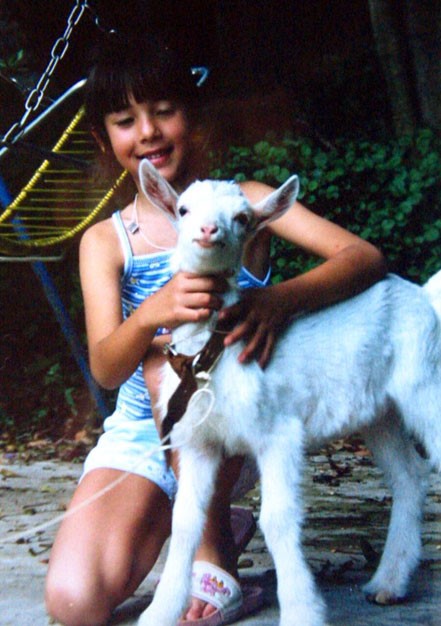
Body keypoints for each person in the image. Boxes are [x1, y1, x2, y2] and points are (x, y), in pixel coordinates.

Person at [44, 36, 387, 626]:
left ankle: (214, 549)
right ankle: (200, 514)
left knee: (173, 368)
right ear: (103, 139)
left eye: (163, 111)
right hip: (141, 437)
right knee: (75, 603)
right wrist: (151, 314)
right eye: (126, 121)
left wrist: (276, 301)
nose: (148, 132)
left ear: (193, 115)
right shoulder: (106, 240)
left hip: (234, 423)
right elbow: (105, 368)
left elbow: (364, 257)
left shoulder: (243, 206)